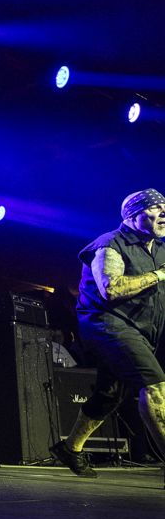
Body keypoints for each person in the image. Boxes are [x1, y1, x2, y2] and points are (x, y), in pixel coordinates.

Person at [52, 189, 165, 478]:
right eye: (156, 208)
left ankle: (70, 449)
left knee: (109, 394)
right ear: (133, 215)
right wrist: (159, 275)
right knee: (155, 386)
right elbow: (111, 288)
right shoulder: (110, 244)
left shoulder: (160, 247)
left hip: (139, 332)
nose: (164, 213)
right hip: (106, 325)